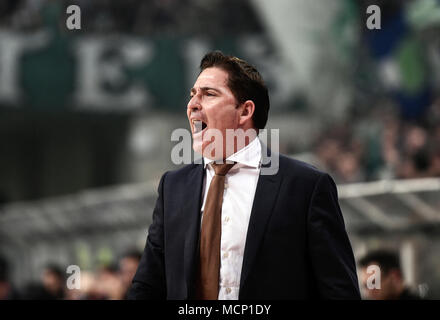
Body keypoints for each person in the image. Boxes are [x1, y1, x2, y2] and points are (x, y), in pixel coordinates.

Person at [128, 51, 360, 300]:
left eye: (209, 94)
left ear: (245, 111)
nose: (193, 104)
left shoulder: (305, 186)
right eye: (193, 94)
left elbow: (339, 290)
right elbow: (148, 286)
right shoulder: (173, 187)